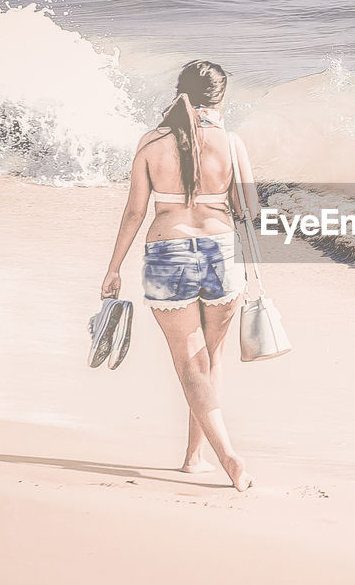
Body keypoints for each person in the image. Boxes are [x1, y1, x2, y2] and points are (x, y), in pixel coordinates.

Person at [101, 60, 257, 491]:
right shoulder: (231, 143)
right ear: (220, 98)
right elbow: (249, 210)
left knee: (190, 364)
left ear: (180, 92)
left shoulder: (151, 143)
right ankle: (199, 457)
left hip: (166, 253)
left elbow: (134, 211)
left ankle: (215, 456)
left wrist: (113, 268)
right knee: (212, 359)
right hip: (221, 252)